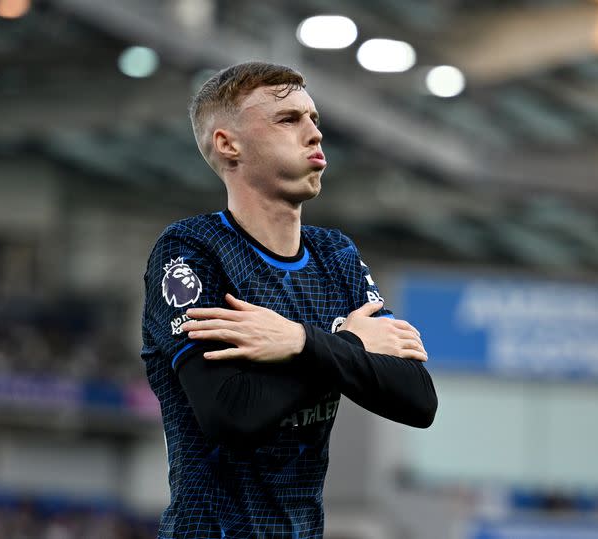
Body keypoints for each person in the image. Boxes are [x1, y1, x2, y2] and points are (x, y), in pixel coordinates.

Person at [141, 61, 437, 539]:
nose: (314, 133)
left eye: (313, 118)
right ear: (228, 144)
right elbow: (231, 414)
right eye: (288, 120)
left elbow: (417, 398)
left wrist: (301, 342)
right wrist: (345, 345)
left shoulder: (334, 255)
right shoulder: (193, 253)